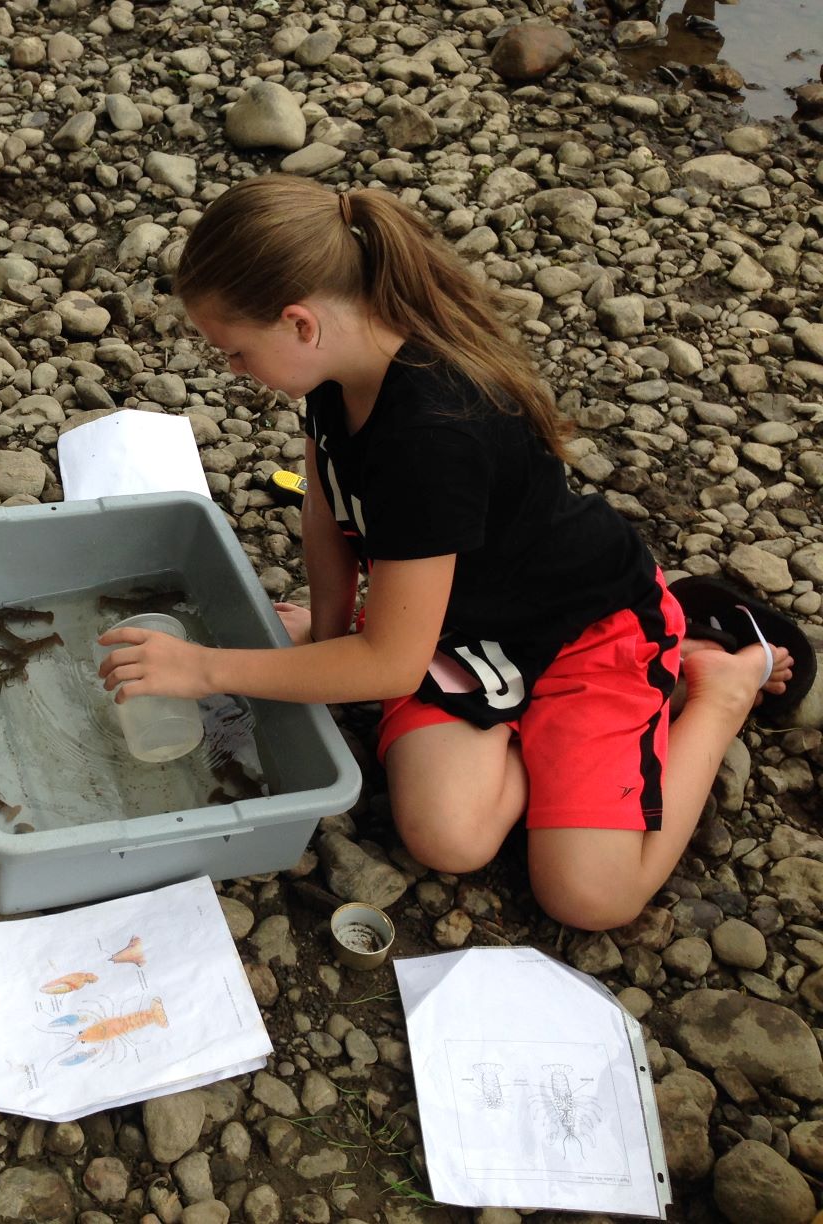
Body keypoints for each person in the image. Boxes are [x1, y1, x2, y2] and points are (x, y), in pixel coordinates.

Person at [97, 174, 800, 932]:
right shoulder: (338, 373)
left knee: (589, 897)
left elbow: (393, 666)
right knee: (448, 839)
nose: (233, 371)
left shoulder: (432, 433)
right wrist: (330, 638)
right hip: (465, 627)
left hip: (584, 631)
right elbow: (325, 506)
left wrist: (206, 669)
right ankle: (561, 744)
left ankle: (719, 685)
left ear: (300, 323)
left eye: (235, 353)